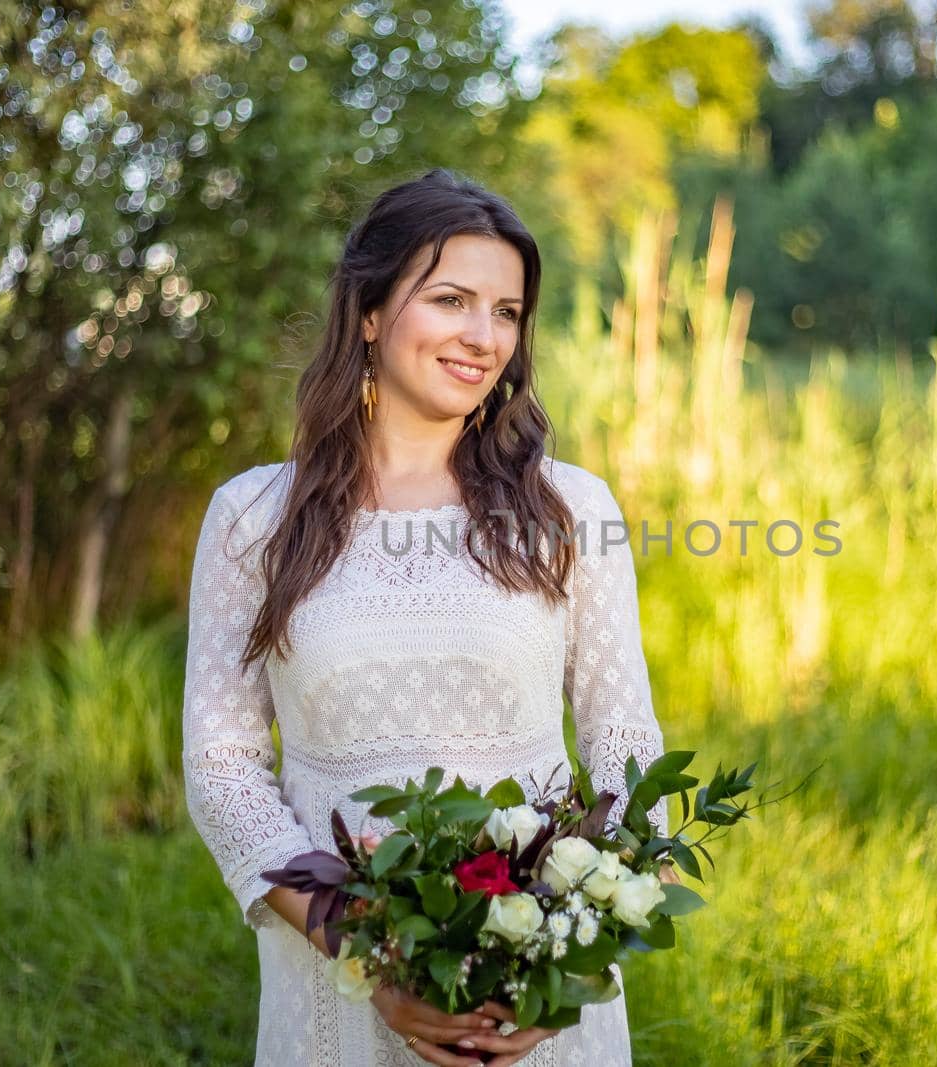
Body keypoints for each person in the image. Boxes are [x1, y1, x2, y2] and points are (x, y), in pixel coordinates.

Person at [181, 168, 671, 1067]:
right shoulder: (255, 517)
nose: (483, 337)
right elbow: (223, 767)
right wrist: (369, 949)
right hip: (337, 965)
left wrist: (570, 952)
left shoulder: (570, 510)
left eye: (508, 312)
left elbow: (623, 738)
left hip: (536, 977)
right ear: (369, 311)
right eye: (451, 299)